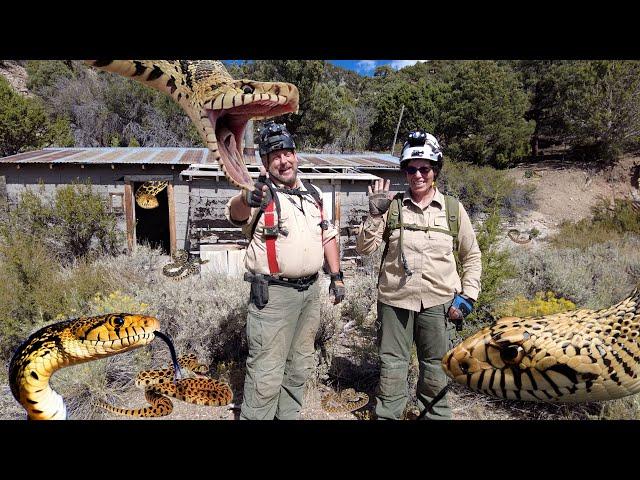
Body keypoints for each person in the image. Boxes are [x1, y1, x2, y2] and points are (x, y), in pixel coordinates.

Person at [356, 130, 481, 420]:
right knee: (392, 366)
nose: (418, 175)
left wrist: (468, 296)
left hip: (439, 304)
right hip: (395, 301)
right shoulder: (393, 207)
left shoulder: (452, 209)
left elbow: (471, 256)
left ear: (435, 170)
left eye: (424, 168)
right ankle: (388, 415)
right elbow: (364, 249)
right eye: (411, 169)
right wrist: (375, 214)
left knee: (437, 367)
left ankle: (435, 416)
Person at [225, 121, 345, 420]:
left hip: (310, 295)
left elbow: (327, 235)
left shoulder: (313, 194)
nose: (283, 160)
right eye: (274, 155)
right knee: (266, 372)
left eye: (287, 152)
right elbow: (235, 213)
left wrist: (337, 277)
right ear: (265, 162)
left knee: (299, 366)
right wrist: (246, 197)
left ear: (296, 155)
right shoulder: (259, 193)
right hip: (274, 297)